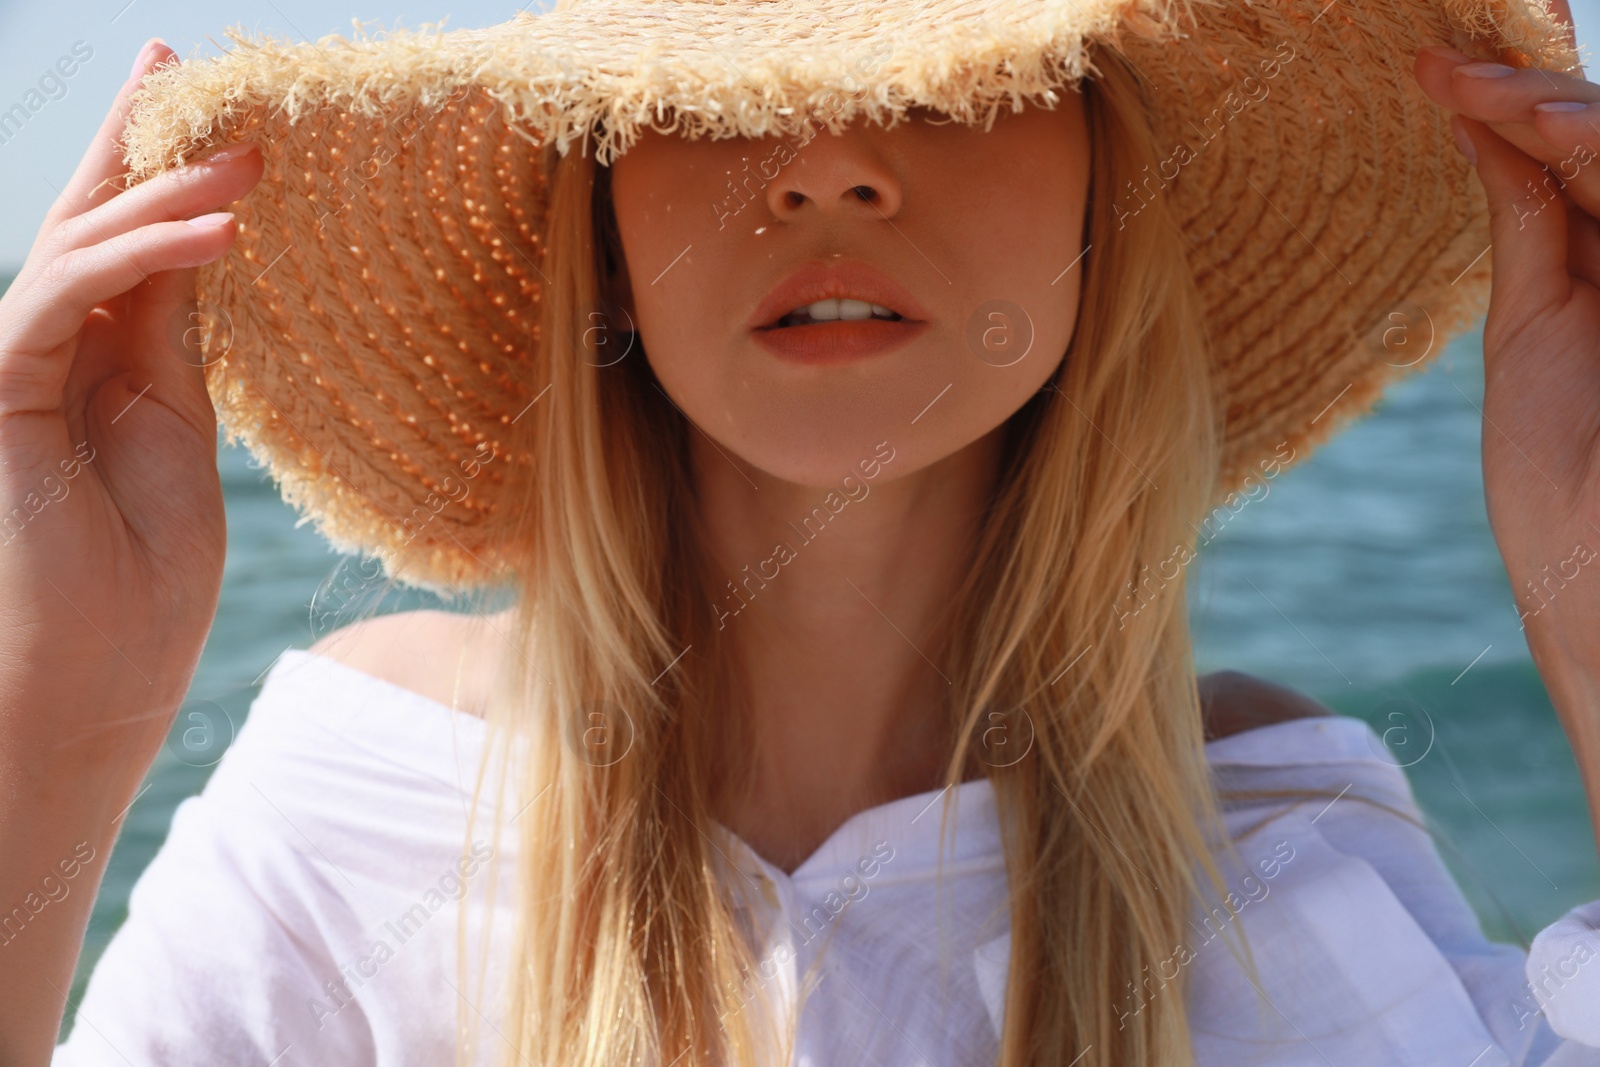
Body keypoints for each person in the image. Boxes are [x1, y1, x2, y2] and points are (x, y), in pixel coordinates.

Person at [4, 0, 1600, 1064]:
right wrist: (51, 727)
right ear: (606, 225)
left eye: (960, 76)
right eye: (714, 100)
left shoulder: (1269, 832)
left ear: (1112, 197)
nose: (831, 168)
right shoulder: (363, 800)